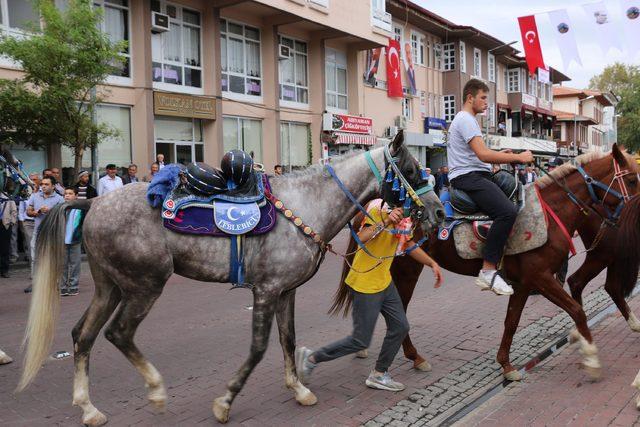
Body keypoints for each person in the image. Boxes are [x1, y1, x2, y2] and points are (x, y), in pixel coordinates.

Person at [296, 200, 443, 392]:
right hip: (365, 283)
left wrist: (432, 264)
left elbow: (408, 243)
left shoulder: (404, 215)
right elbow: (361, 237)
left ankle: (379, 374)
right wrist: (386, 221)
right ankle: (312, 358)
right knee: (360, 341)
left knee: (400, 327)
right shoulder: (377, 209)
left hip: (384, 281)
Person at [447, 78, 533, 296]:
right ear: (470, 97)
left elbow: (480, 156)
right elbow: (482, 154)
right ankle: (488, 270)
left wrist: (500, 158)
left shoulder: (469, 120)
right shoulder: (466, 119)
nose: (486, 102)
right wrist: (518, 157)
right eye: (483, 98)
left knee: (514, 197)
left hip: (476, 173)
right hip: (468, 178)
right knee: (507, 211)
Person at [25, 176, 64, 292]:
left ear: (53, 186)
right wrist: (38, 212)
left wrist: (51, 211)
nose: (43, 186)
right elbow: (28, 212)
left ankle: (55, 282)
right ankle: (35, 283)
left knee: (53, 258)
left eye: (47, 184)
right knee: (35, 258)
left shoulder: (60, 199)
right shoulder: (35, 196)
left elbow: (63, 215)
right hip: (38, 232)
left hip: (53, 233)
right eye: (42, 184)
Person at [60, 187, 84, 296]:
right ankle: (63, 287)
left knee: (75, 264)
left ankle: (74, 286)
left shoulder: (81, 209)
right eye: (65, 194)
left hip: (75, 240)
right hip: (62, 240)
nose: (67, 196)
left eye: (70, 193)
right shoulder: (60, 208)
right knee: (62, 264)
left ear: (76, 195)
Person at [0, 190, 17, 278]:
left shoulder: (8, 197)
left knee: (5, 248)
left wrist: (12, 223)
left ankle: (4, 270)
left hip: (5, 225)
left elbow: (14, 211)